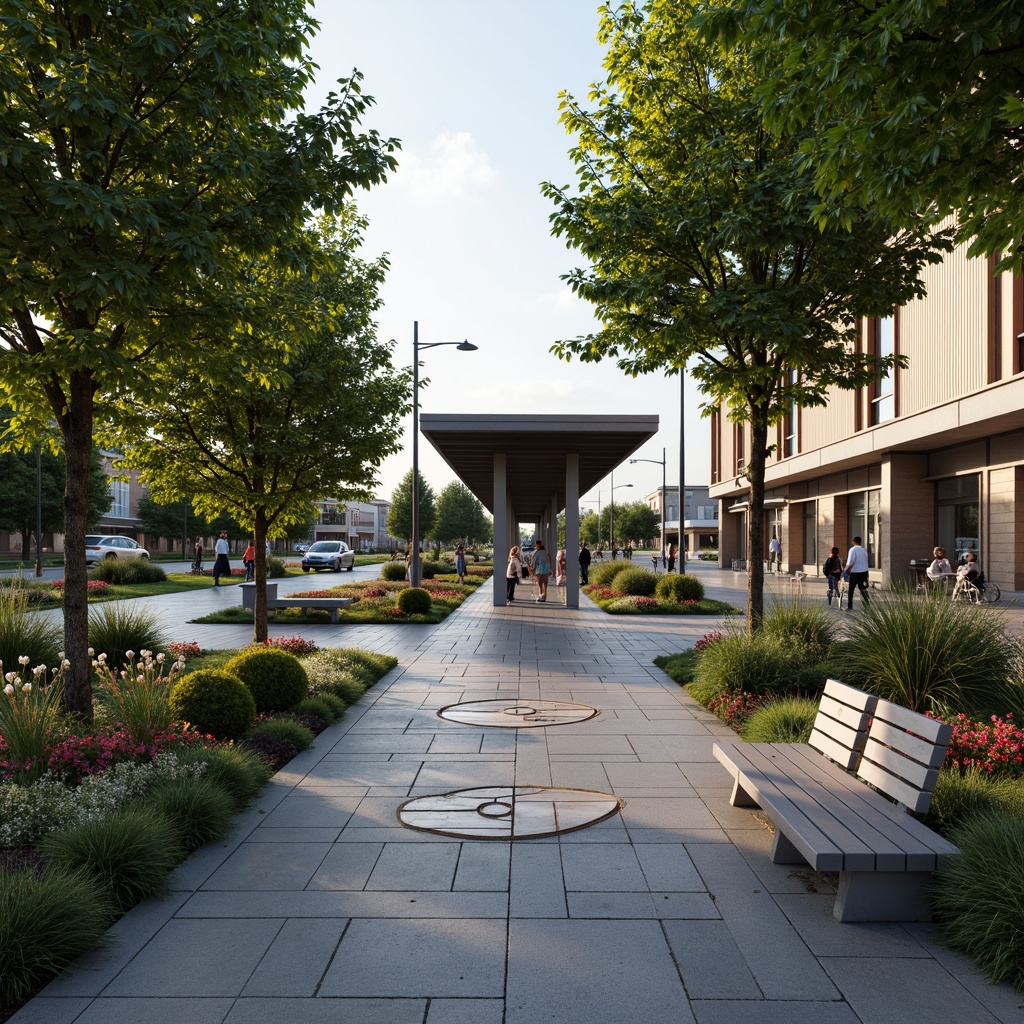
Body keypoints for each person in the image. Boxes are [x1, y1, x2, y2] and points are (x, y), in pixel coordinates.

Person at [844, 536, 870, 609]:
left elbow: (850, 561)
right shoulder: (864, 550)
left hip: (855, 572)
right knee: (862, 588)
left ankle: (850, 606)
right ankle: (866, 605)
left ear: (854, 541)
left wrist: (845, 569)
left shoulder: (852, 550)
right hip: (864, 572)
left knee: (851, 589)